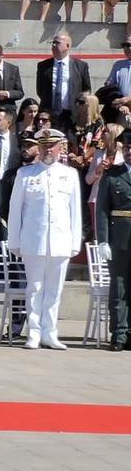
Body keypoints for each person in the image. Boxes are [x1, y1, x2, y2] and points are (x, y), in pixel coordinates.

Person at [8, 127, 83, 349]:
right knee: (34, 288)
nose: (48, 149)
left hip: (60, 240)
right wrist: (15, 241)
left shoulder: (69, 174)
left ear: (60, 147)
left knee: (55, 289)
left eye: (52, 145)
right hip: (33, 240)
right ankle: (34, 332)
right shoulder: (25, 174)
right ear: (38, 148)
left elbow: (74, 211)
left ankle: (50, 332)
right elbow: (15, 210)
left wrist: (73, 242)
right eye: (44, 145)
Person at [95, 144, 131, 350]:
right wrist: (102, 240)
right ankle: (119, 334)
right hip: (119, 238)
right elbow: (102, 210)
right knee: (119, 286)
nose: (130, 152)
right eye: (127, 147)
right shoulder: (112, 174)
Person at [36, 31, 93, 131]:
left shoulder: (80, 66)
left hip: (72, 115)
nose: (53, 45)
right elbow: (40, 90)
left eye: (57, 43)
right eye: (52, 43)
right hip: (49, 115)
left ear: (67, 45)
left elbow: (87, 89)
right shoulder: (43, 66)